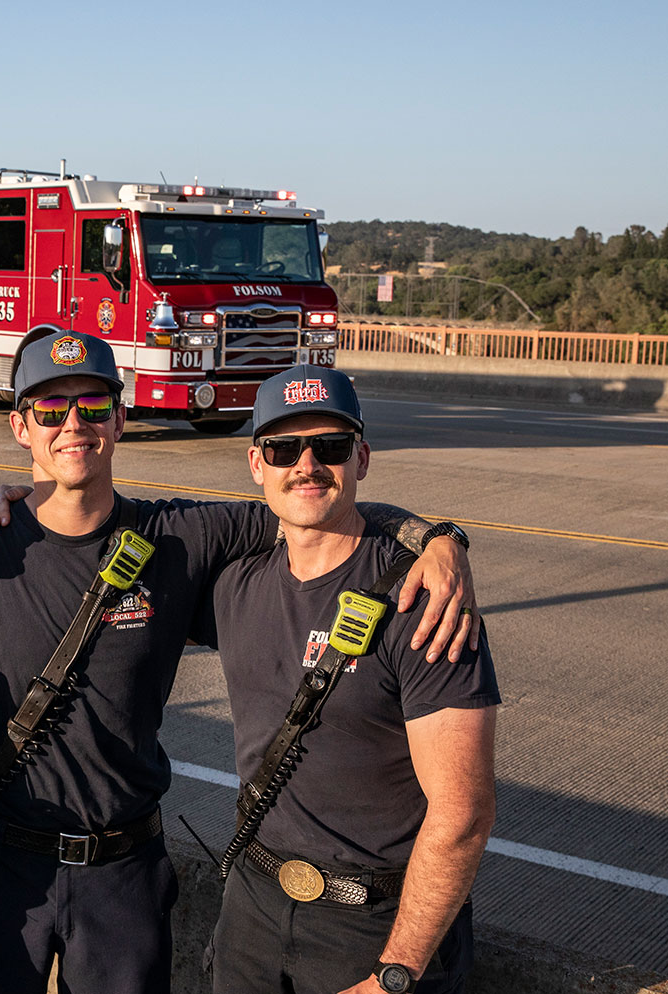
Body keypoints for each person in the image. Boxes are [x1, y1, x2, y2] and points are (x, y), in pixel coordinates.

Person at [0, 329, 476, 994]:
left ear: (119, 416)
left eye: (91, 405)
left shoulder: (184, 537)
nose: (71, 424)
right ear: (20, 426)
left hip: (123, 873)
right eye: (50, 409)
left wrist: (433, 537)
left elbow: (312, 499)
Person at [202, 365, 499, 994]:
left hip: (372, 926)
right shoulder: (233, 582)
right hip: (250, 912)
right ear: (257, 463)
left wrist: (395, 973)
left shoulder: (426, 601)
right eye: (284, 448)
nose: (306, 464)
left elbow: (463, 814)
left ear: (361, 458)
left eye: (330, 447)